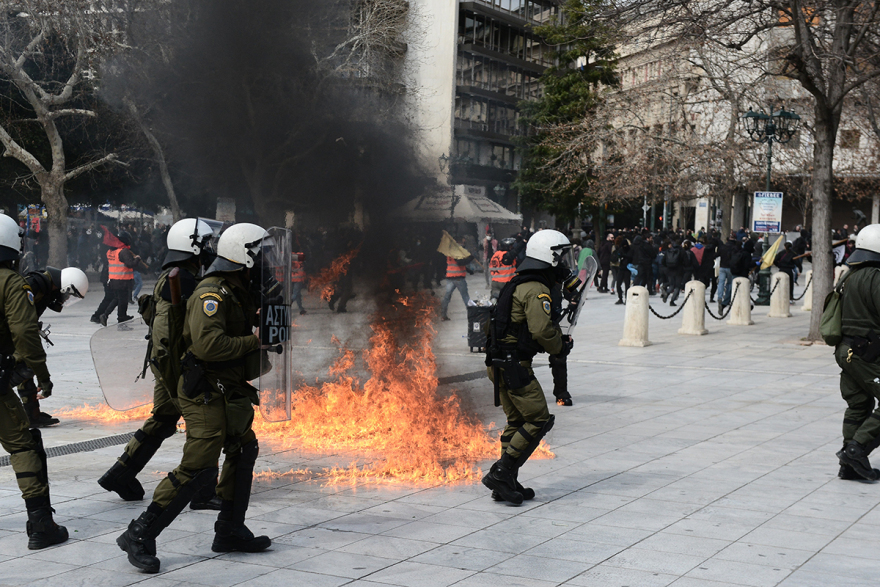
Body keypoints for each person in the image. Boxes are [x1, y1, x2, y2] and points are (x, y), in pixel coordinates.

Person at [117, 222, 273, 573]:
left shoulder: (237, 288)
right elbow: (208, 345)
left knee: (243, 448)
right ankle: (139, 533)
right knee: (200, 465)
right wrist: (256, 340)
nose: (266, 261)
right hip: (203, 388)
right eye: (260, 254)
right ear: (242, 256)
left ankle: (230, 530)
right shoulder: (211, 293)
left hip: (227, 387)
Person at [99, 219, 221, 511]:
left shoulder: (177, 274)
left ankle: (120, 474)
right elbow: (178, 329)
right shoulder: (184, 279)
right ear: (192, 247)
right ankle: (202, 491)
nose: (209, 250)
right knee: (204, 423)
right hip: (176, 365)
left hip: (166, 361)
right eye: (205, 244)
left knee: (164, 419)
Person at [482, 229, 573, 504]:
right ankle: (500, 474)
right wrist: (560, 346)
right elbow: (542, 330)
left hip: (500, 363)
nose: (565, 262)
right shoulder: (536, 289)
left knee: (517, 422)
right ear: (551, 255)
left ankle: (506, 482)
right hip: (515, 366)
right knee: (538, 419)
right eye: (561, 255)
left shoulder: (519, 282)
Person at [0, 214, 67, 549]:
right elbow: (25, 332)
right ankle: (41, 523)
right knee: (24, 446)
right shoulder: (11, 282)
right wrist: (41, 374)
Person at [832, 224, 880, 481]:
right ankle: (855, 450)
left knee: (859, 404)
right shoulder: (875, 276)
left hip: (847, 350)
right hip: (866, 352)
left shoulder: (849, 274)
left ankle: (849, 466)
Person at [18, 266, 89, 427]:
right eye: (69, 294)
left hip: (17, 331)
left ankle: (32, 415)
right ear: (65, 287)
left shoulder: (46, 287)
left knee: (26, 369)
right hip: (10, 333)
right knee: (19, 369)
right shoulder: (34, 285)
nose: (65, 299)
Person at [93, 230, 145, 327]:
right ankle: (118, 317)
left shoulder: (111, 251)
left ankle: (109, 315)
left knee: (118, 299)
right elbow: (130, 264)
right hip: (122, 280)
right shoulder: (123, 251)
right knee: (123, 300)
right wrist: (137, 259)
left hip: (113, 280)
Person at [440, 239, 473, 321]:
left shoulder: (450, 252)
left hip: (450, 278)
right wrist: (471, 258)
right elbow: (460, 262)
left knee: (447, 297)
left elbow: (456, 264)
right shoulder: (457, 252)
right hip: (459, 278)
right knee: (465, 297)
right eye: (462, 242)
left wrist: (468, 270)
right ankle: (472, 315)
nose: (463, 244)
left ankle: (443, 315)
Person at [661, 238, 686, 306]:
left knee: (671, 285)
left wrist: (667, 267)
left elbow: (663, 261)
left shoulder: (668, 251)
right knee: (677, 286)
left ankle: (667, 293)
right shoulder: (681, 251)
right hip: (679, 271)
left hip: (670, 270)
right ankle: (672, 300)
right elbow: (685, 261)